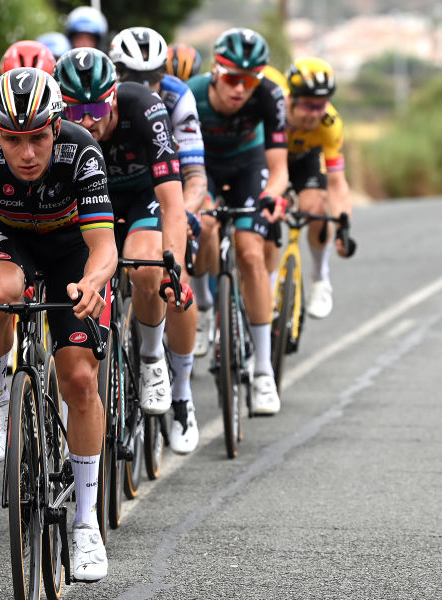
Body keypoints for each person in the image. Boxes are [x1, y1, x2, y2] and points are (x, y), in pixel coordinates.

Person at [0, 68, 117, 581]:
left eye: (37, 137)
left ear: (56, 127)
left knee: (79, 379)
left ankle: (84, 522)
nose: (27, 153)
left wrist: (95, 282)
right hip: (7, 238)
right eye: (13, 139)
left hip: (70, 248)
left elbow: (103, 247)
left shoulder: (82, 151)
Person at [56, 47, 200, 454]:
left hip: (141, 200)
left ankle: (157, 361)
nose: (86, 120)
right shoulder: (56, 126)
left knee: (147, 269)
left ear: (114, 97)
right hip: (88, 205)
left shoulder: (146, 109)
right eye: (75, 110)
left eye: (97, 109)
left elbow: (173, 204)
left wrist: (174, 266)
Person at [109, 27, 212, 439]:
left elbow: (195, 175)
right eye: (133, 75)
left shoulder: (173, 98)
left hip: (152, 192)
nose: (146, 85)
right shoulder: (95, 99)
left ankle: (181, 392)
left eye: (154, 75)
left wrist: (182, 220)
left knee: (164, 272)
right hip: (99, 195)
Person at [187, 28, 288, 415]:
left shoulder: (269, 96)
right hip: (203, 167)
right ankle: (205, 301)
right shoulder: (192, 95)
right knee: (207, 224)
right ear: (215, 70)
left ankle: (263, 371)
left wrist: (270, 196)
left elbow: (278, 169)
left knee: (250, 254)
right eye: (232, 77)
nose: (240, 88)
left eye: (250, 80)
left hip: (249, 165)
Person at [264, 57, 353, 319]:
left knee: (314, 208)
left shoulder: (330, 124)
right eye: (310, 106)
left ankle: (320, 279)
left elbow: (337, 183)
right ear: (291, 98)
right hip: (270, 157)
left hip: (306, 160)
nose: (317, 113)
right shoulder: (273, 107)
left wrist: (343, 226)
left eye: (322, 105)